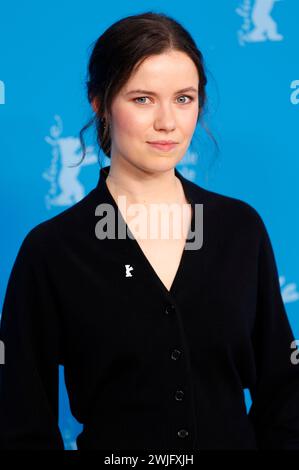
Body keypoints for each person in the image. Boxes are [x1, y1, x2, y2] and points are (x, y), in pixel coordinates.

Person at [0, 11, 299, 451]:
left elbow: (285, 398)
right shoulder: (52, 251)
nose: (167, 122)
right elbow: (19, 419)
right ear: (100, 102)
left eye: (183, 98)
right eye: (142, 99)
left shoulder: (241, 230)